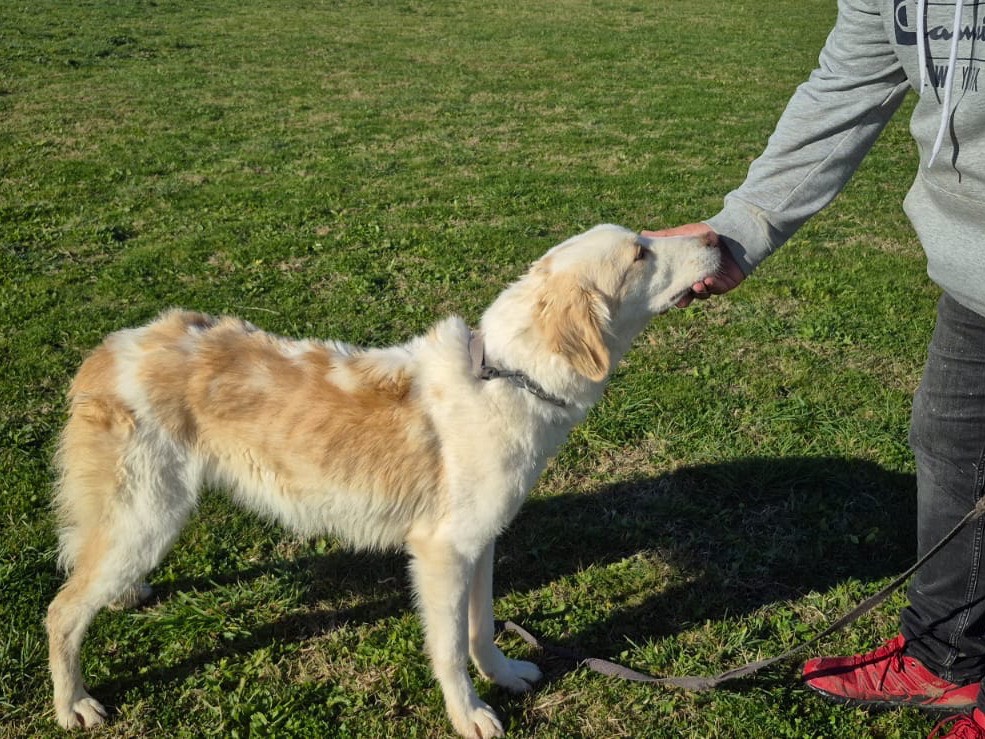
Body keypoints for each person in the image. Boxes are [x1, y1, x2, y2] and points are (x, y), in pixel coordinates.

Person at [646, 1, 985, 736]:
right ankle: (946, 658)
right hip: (975, 271)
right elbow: (845, 86)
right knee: (953, 444)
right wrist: (739, 230)